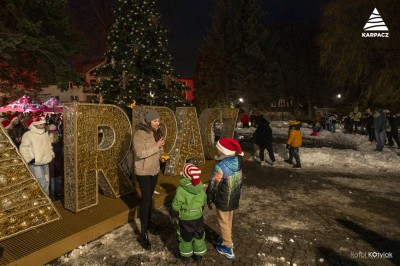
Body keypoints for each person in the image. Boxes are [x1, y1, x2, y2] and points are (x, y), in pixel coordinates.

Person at [206, 138, 243, 260]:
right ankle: (226, 238)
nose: (216, 149)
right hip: (233, 197)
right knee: (228, 220)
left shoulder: (221, 166)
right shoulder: (238, 161)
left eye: (218, 147)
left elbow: (213, 184)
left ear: (223, 151)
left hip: (223, 199)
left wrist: (209, 197)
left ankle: (227, 247)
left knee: (223, 222)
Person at [133, 109, 165, 250]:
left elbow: (159, 149)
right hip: (143, 171)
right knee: (146, 200)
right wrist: (156, 147)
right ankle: (143, 233)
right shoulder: (139, 134)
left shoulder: (157, 132)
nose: (158, 123)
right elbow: (140, 153)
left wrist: (162, 155)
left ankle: (150, 223)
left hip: (154, 170)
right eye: (155, 121)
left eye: (158, 120)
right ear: (148, 121)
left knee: (149, 197)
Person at [170, 163, 207, 264]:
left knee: (185, 237)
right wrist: (200, 209)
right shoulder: (200, 187)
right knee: (198, 235)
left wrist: (173, 214)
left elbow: (176, 204)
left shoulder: (181, 190)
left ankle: (186, 256)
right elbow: (204, 200)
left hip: (186, 218)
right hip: (198, 217)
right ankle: (199, 256)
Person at [19, 116, 54, 195]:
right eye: (41, 124)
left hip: (45, 162)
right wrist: (30, 159)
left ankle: (47, 203)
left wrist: (51, 154)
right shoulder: (28, 134)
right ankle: (41, 202)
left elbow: (49, 145)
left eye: (43, 124)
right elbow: (23, 148)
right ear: (34, 124)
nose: (43, 125)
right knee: (41, 184)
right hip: (35, 164)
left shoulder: (45, 134)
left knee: (47, 183)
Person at [48, 124, 64, 200]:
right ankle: (54, 194)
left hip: (56, 164)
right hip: (53, 164)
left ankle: (56, 193)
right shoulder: (51, 143)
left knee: (56, 179)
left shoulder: (58, 142)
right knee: (54, 180)